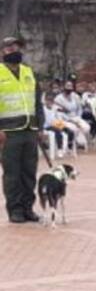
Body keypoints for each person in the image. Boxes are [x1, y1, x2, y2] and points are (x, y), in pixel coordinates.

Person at [0, 37, 45, 223]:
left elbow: (37, 103)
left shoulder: (29, 72)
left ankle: (28, 208)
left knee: (29, 172)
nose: (14, 49)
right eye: (9, 47)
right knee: (12, 173)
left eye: (16, 46)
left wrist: (40, 127)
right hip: (8, 132)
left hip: (30, 130)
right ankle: (15, 210)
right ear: (2, 51)